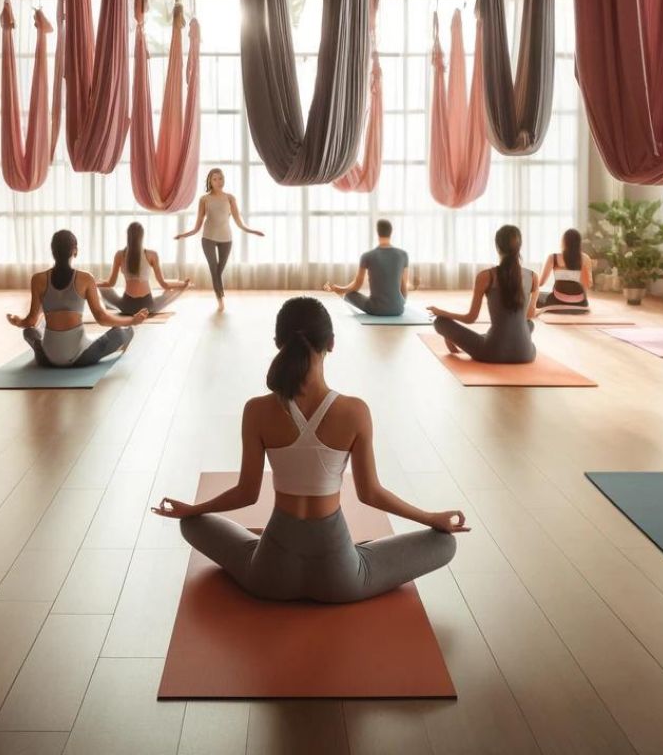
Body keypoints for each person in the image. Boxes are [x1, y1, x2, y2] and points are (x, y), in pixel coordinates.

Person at [152, 296, 466, 602]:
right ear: (331, 342)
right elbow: (370, 493)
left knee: (193, 525)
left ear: (277, 342)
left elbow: (246, 493)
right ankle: (356, 553)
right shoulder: (355, 411)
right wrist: (430, 518)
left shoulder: (257, 410)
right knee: (444, 545)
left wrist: (192, 510)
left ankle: (287, 548)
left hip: (268, 576)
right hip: (341, 579)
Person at [7, 229, 147, 367]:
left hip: (47, 358)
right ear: (75, 250)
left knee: (29, 331)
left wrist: (17, 321)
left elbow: (30, 321)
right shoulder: (86, 278)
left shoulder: (37, 279)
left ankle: (49, 349)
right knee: (121, 332)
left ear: (53, 252)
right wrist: (132, 320)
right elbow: (102, 318)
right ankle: (127, 332)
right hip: (81, 357)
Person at [427, 224, 539, 364]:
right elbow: (529, 315)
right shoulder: (533, 276)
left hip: (492, 352)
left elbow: (470, 318)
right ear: (519, 247)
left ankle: (458, 338)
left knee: (440, 322)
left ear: (497, 248)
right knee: (528, 324)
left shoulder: (486, 276)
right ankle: (511, 340)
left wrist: (442, 312)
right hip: (526, 353)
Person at [175, 168, 264, 312]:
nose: (218, 182)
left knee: (218, 271)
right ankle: (220, 300)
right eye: (215, 179)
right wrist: (185, 234)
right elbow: (198, 225)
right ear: (210, 181)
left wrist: (252, 231)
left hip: (226, 239)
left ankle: (219, 297)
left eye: (221, 178)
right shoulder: (204, 199)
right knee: (213, 269)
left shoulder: (230, 198)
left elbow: (239, 222)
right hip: (208, 238)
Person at [98, 221, 190, 316]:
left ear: (128, 236)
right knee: (167, 293)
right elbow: (164, 284)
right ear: (142, 236)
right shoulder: (152, 255)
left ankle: (104, 304)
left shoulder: (119, 255)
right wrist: (182, 284)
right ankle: (184, 285)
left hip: (126, 307)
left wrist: (94, 282)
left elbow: (110, 283)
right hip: (147, 306)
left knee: (101, 287)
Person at [323, 218, 410, 317]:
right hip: (398, 309)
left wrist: (339, 289)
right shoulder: (403, 255)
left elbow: (357, 285)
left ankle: (344, 294)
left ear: (377, 233)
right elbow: (404, 285)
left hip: (376, 309)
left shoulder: (367, 256)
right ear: (391, 232)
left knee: (349, 295)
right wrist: (400, 304)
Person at [537, 229, 592, 313]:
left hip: (557, 300)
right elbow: (588, 284)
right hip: (580, 303)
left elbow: (540, 283)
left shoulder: (553, 258)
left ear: (563, 242)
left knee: (538, 296)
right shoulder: (585, 258)